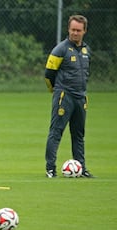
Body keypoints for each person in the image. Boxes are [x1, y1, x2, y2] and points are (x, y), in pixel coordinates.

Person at [44, 15, 94, 178]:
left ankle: (81, 168)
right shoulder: (60, 49)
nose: (75, 33)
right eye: (72, 30)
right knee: (56, 132)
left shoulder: (87, 50)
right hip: (64, 96)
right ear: (68, 29)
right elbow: (48, 74)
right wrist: (57, 91)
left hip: (81, 97)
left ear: (84, 31)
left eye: (78, 30)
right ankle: (50, 168)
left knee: (79, 134)